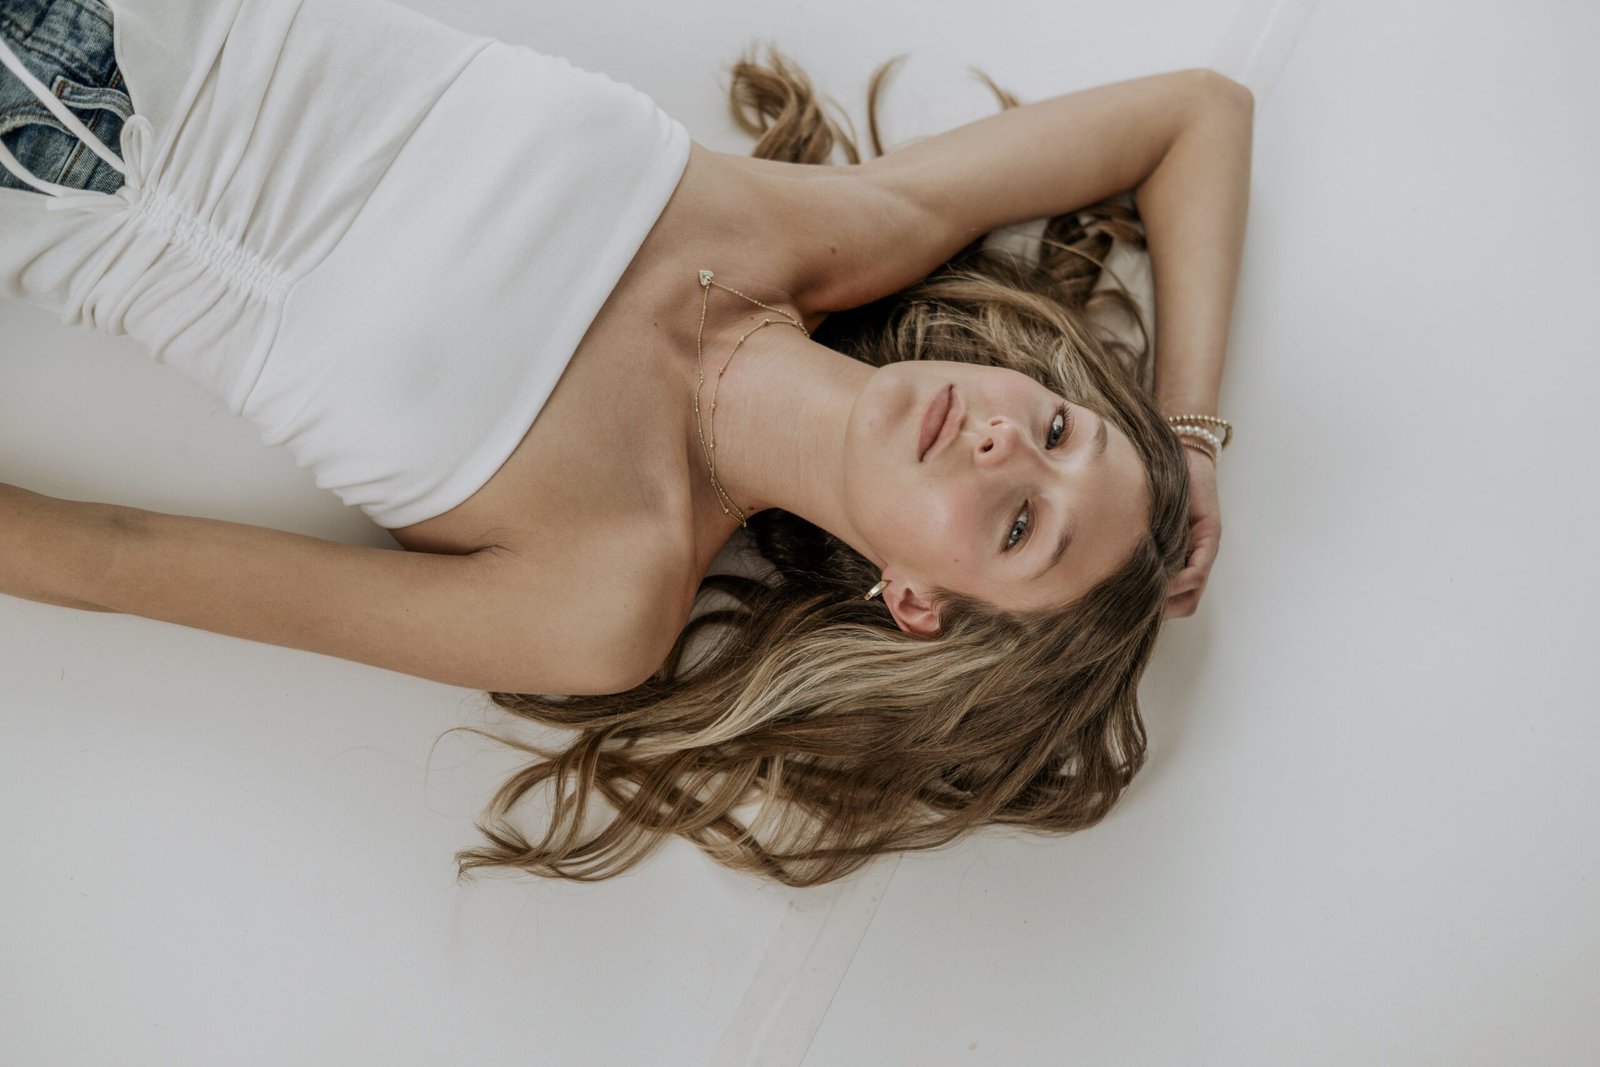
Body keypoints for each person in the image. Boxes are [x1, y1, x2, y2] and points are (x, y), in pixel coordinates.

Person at [0, 0, 1249, 886]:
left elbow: (115, 556)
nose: (1002, 443)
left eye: (1021, 524)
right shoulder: (835, 230)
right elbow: (1196, 117)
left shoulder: (602, 598)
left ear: (916, 600)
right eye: (1057, 427)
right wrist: (1187, 439)